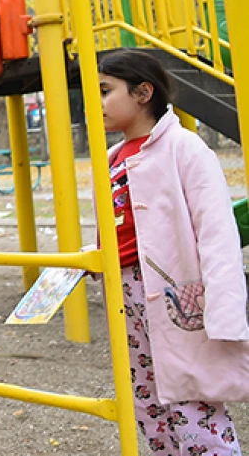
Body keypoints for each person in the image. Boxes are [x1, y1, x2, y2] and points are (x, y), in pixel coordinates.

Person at [98, 49, 249, 455]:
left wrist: (225, 311)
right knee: (148, 401)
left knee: (192, 397)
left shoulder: (185, 148)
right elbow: (124, 228)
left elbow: (217, 235)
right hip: (127, 295)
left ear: (143, 92)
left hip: (178, 296)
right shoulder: (112, 158)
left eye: (105, 91)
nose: (97, 104)